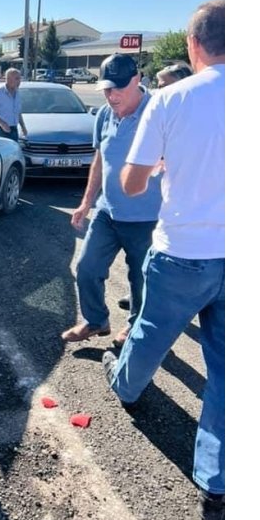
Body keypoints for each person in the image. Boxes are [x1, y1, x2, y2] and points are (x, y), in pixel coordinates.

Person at [105, 0, 225, 520]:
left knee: (152, 332)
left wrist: (155, 166)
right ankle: (217, 484)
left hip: (182, 251)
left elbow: (132, 182)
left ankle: (125, 386)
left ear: (193, 44)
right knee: (227, 370)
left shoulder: (172, 100)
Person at [60, 53, 162, 348]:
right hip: (108, 212)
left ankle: (133, 328)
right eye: (107, 89)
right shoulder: (104, 114)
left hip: (148, 218)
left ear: (137, 80)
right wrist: (86, 202)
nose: (112, 96)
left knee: (140, 280)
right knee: (87, 268)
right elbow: (100, 159)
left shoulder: (157, 112)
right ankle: (96, 321)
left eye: (119, 88)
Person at [0, 68, 27, 141]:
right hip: (2, 131)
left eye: (20, 79)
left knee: (14, 151)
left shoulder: (17, 93)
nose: (19, 81)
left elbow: (18, 112)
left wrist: (23, 127)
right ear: (9, 79)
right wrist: (2, 124)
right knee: (4, 151)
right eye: (17, 79)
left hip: (14, 129)